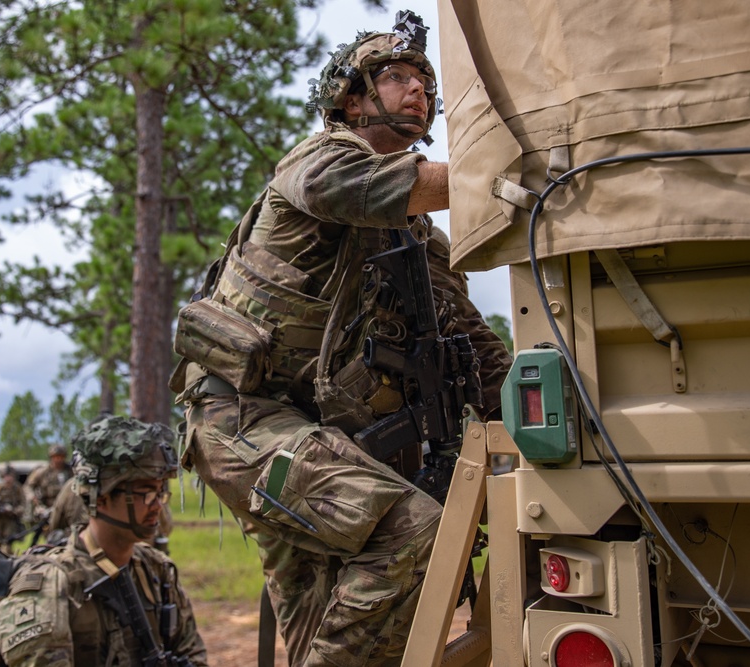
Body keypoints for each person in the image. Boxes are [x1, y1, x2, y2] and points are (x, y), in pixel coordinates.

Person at [172, 10, 512, 666]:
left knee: (329, 625)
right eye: (395, 76)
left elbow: (471, 342)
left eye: (424, 82)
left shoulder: (415, 238)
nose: (417, 90)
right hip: (243, 421)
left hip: (318, 438)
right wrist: (515, 164)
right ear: (352, 98)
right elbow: (423, 183)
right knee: (415, 534)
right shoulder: (318, 163)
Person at [0, 416, 207, 667]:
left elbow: (193, 654)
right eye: (147, 493)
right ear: (101, 497)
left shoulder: (157, 570)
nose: (158, 505)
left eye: (161, 491)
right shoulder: (50, 585)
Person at [25, 443, 74, 520]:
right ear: (51, 457)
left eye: (61, 457)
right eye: (55, 457)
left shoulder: (71, 471)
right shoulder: (42, 472)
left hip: (68, 507)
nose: (58, 460)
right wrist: (32, 497)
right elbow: (28, 486)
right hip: (47, 508)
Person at [0, 466, 26, 552]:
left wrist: (14, 510)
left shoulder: (17, 488)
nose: (8, 479)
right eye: (6, 476)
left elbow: (23, 504)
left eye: (10, 476)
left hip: (10, 519)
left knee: (8, 542)